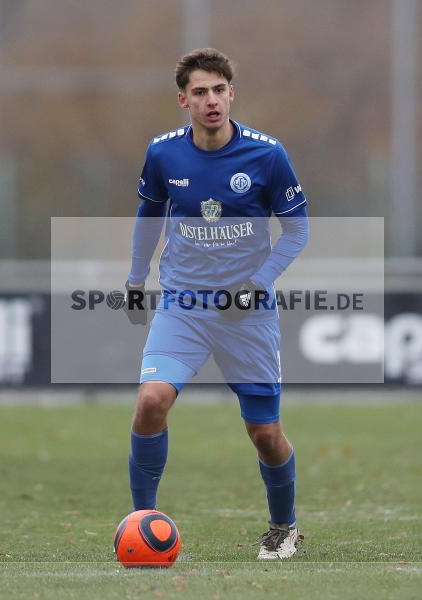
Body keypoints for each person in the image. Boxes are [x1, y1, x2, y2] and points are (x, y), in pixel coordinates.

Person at [123, 48, 309, 560]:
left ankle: (284, 525)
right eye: (200, 92)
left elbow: (297, 230)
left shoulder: (267, 155)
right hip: (183, 304)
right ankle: (143, 520)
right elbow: (149, 217)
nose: (211, 100)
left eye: (219, 90)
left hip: (245, 312)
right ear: (183, 100)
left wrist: (258, 281)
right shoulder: (163, 154)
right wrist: (136, 280)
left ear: (232, 94)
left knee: (265, 433)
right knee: (151, 401)